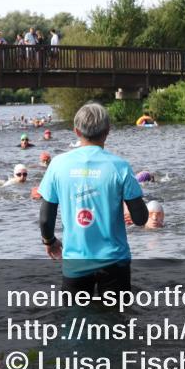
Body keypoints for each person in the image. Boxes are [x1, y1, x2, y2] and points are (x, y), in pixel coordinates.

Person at [37, 102, 148, 294]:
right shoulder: (119, 167)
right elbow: (140, 219)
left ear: (76, 131)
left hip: (75, 263)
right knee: (117, 321)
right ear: (108, 131)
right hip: (115, 262)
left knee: (74, 320)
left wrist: (49, 241)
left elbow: (46, 219)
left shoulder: (57, 165)